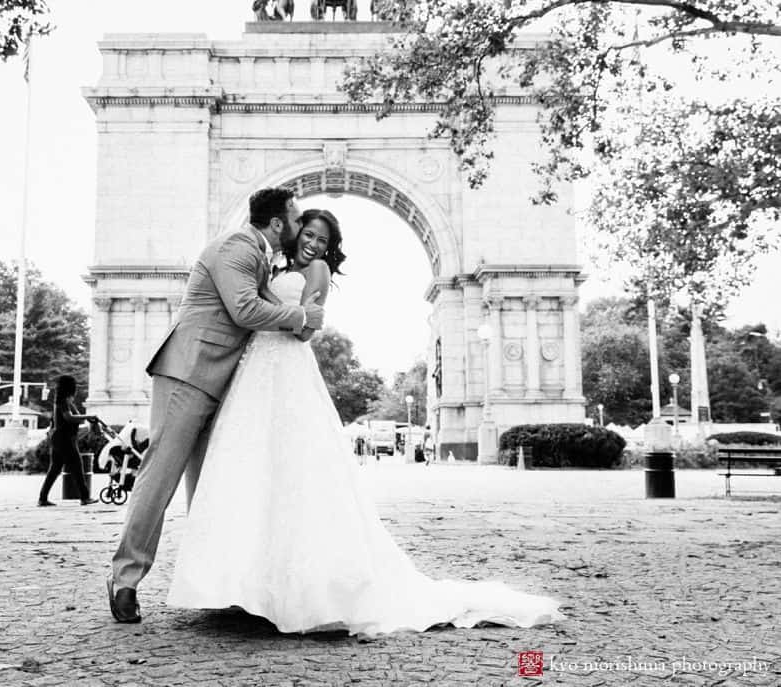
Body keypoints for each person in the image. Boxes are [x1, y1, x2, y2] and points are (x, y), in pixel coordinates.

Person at [166, 208, 564, 636]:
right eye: (308, 233)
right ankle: (247, 585)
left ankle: (295, 587)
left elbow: (305, 331)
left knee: (296, 473)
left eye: (322, 239)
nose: (313, 243)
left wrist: (286, 315)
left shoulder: (315, 270)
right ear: (293, 230)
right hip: (256, 373)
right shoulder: (274, 265)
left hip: (286, 371)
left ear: (329, 248)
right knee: (255, 471)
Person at [108, 187, 326, 624]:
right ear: (278, 223)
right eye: (296, 219)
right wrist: (301, 317)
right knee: (160, 477)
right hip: (188, 373)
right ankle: (125, 578)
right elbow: (244, 309)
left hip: (224, 382)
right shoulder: (237, 247)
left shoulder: (261, 257)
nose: (302, 228)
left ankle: (216, 582)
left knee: (212, 490)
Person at [38, 374, 99, 507]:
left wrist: (85, 419)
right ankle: (84, 497)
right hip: (64, 439)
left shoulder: (64, 401)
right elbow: (69, 418)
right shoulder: (63, 402)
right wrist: (89, 416)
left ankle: (42, 498)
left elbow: (73, 418)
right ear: (70, 387)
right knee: (77, 467)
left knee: (55, 469)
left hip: (60, 438)